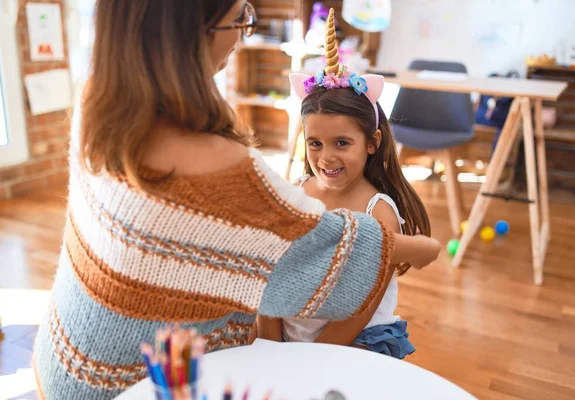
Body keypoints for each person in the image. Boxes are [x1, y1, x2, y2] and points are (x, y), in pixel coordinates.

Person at [33, 2, 440, 399]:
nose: (243, 34)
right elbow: (294, 254)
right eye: (239, 19)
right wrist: (412, 247)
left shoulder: (97, 104)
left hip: (67, 358)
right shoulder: (218, 165)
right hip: (141, 382)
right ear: (192, 31)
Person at [258, 10, 429, 359]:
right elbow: (273, 272)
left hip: (351, 343)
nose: (326, 157)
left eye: (342, 143)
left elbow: (361, 307)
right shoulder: (299, 191)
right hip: (289, 336)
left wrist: (309, 359)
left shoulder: (379, 213)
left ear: (372, 142)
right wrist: (270, 347)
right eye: (315, 143)